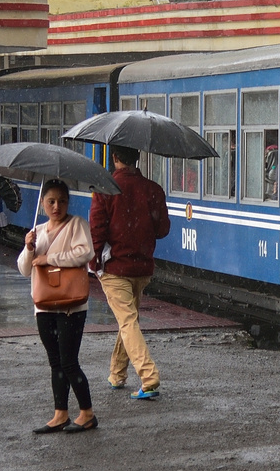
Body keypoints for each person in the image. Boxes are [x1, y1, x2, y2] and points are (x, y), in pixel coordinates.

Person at [88, 145, 170, 399]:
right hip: (142, 268)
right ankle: (117, 374)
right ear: (137, 157)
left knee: (127, 321)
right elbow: (163, 229)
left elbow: (96, 232)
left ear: (114, 158)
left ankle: (149, 377)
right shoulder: (153, 189)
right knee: (129, 320)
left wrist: (93, 263)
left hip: (115, 268)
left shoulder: (105, 189)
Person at [19, 179, 97, 434]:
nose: (56, 206)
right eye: (51, 201)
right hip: (44, 304)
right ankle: (60, 413)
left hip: (70, 305)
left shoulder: (77, 225)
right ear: (42, 203)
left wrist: (50, 258)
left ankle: (87, 413)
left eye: (62, 201)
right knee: (55, 362)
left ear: (68, 202)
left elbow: (85, 253)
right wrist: (29, 248)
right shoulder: (37, 231)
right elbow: (23, 268)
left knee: (69, 361)